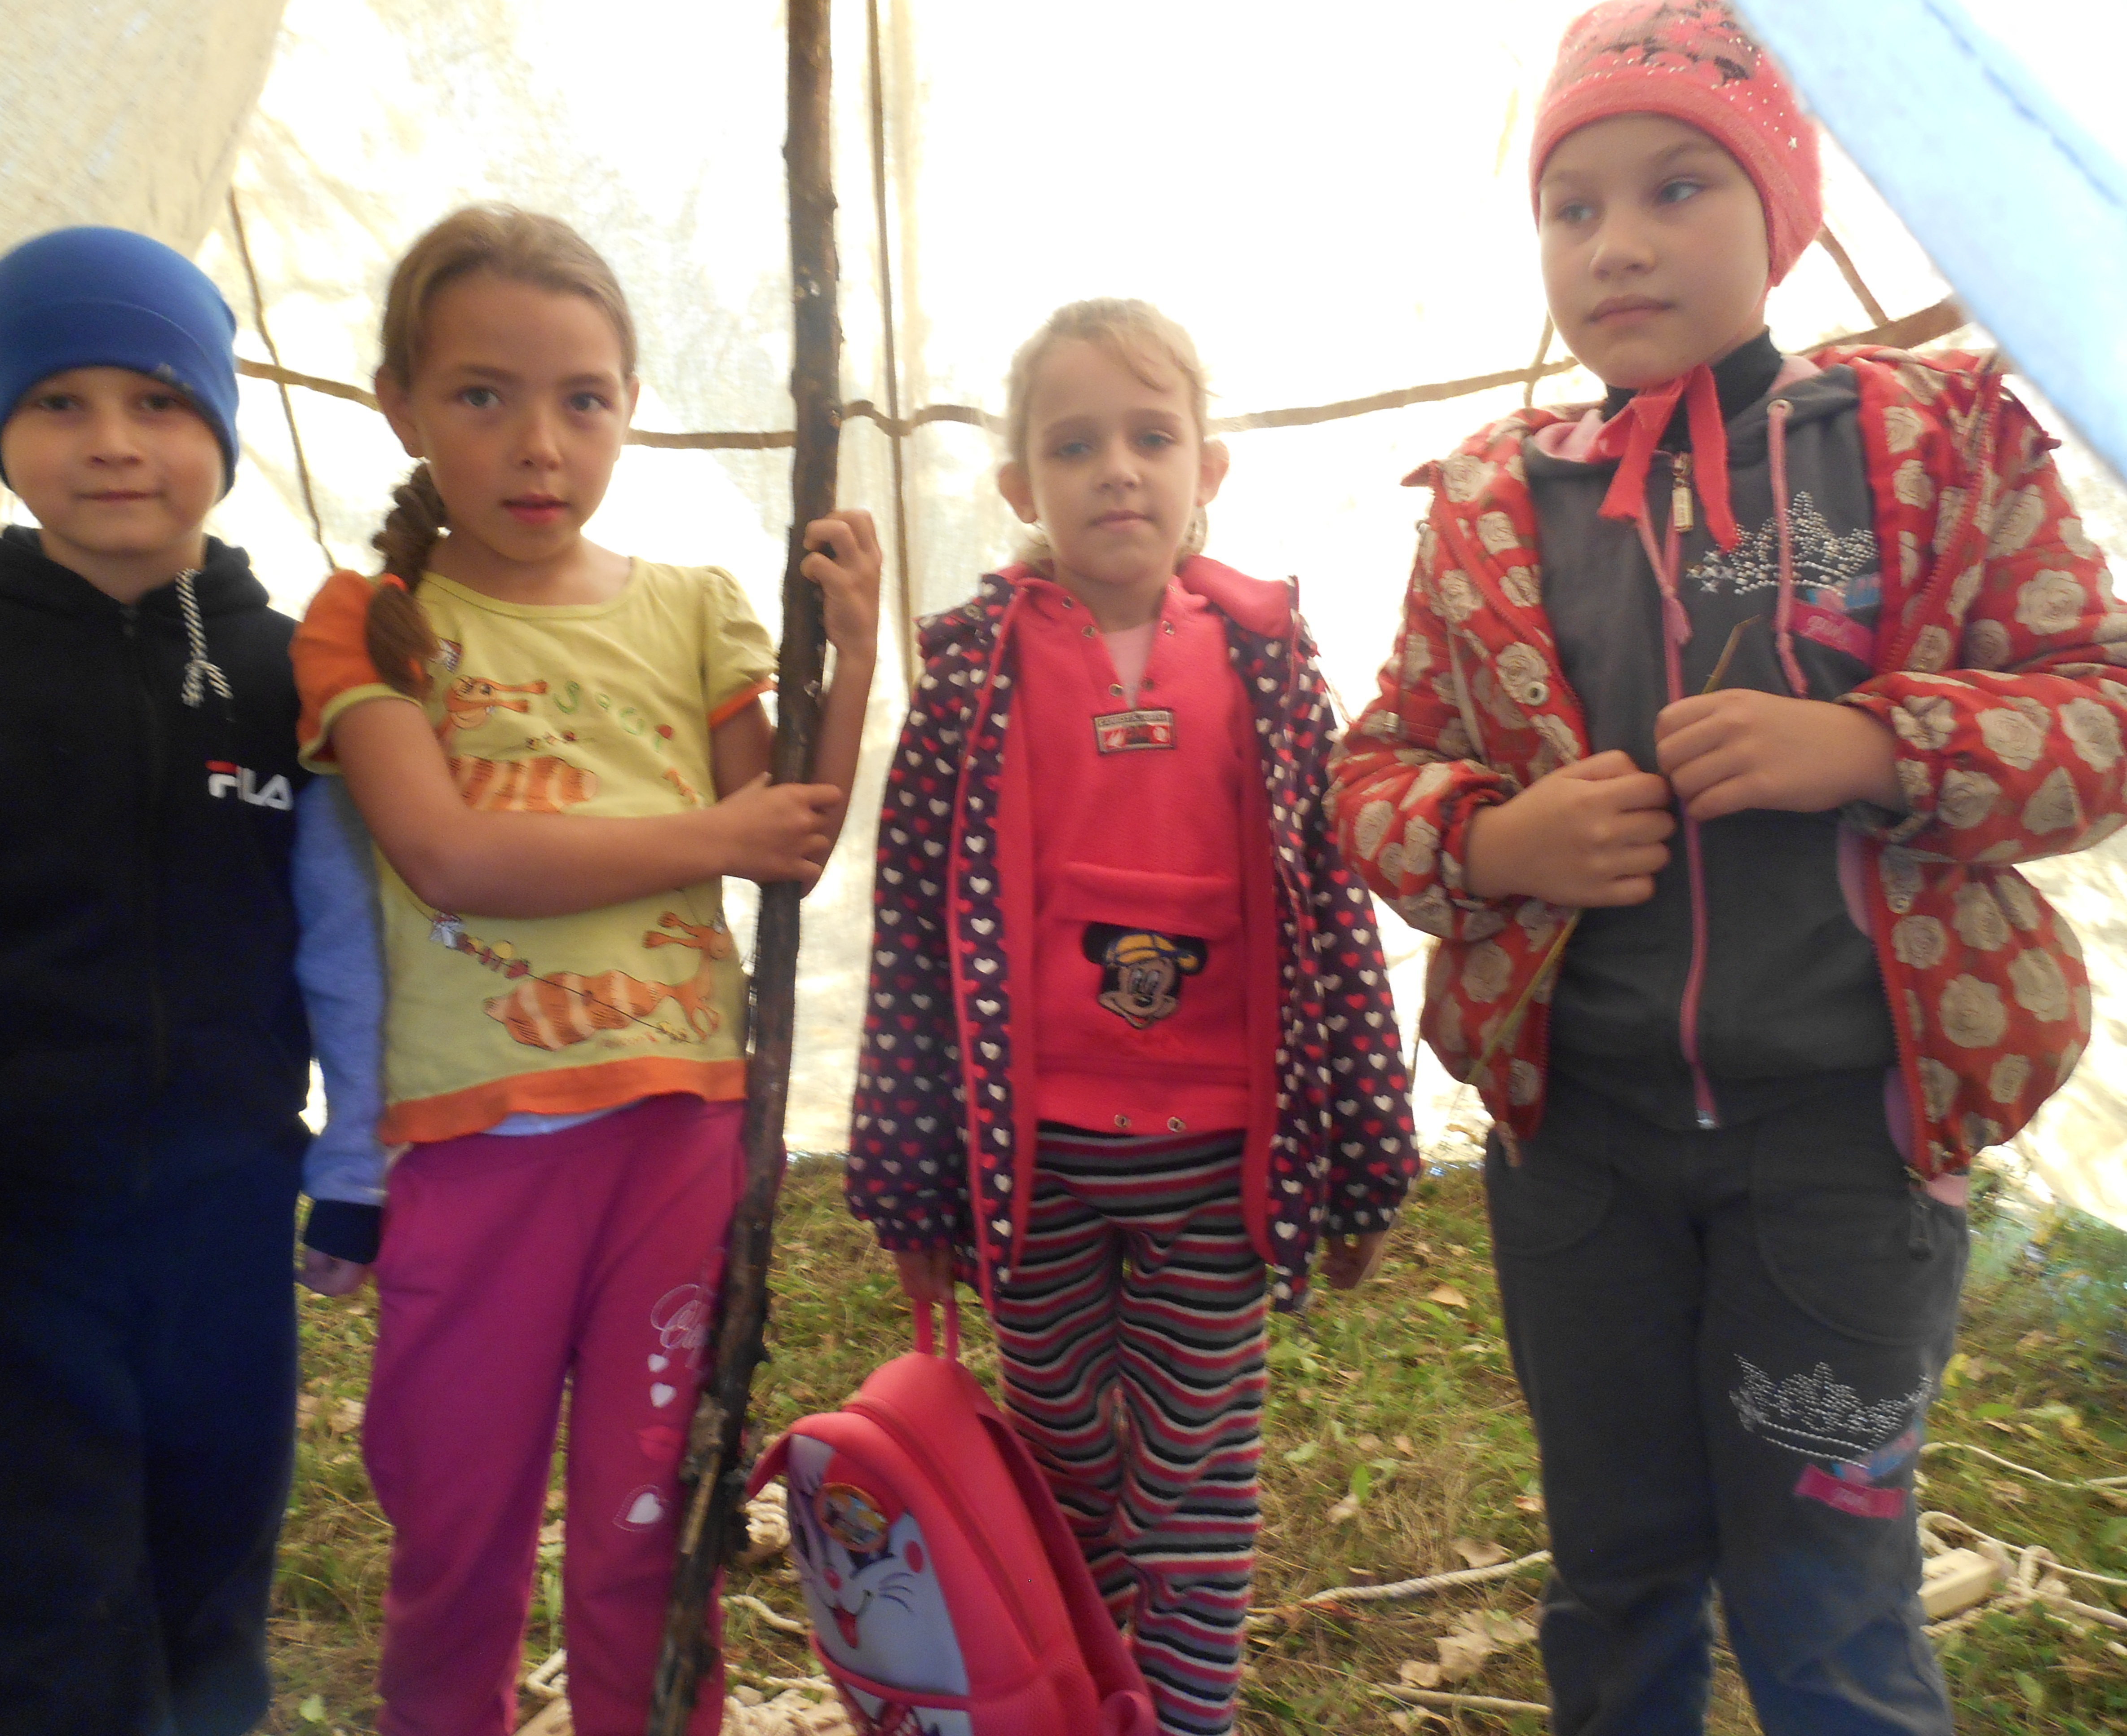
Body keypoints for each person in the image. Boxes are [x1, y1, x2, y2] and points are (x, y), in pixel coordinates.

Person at [1331, 5, 2127, 1731]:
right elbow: (1374, 772)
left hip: (1841, 1148)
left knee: (1823, 1590)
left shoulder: (1932, 447)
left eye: (1677, 187)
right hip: (1581, 1154)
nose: (1617, 243)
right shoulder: (1490, 504)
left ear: (1786, 207)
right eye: (1573, 207)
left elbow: (2103, 713)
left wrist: (1874, 748)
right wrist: (1495, 840)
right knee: (1617, 1565)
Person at [289, 204, 881, 1736]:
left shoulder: (691, 608)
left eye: (584, 400)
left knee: (648, 1530)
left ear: (629, 408)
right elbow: (450, 857)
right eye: (483, 395)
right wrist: (711, 834)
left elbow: (790, 842)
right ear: (401, 406)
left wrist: (857, 650)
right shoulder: (372, 623)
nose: (538, 445)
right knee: (457, 1532)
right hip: (474, 1151)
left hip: (673, 1142)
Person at [0, 226, 384, 1734]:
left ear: (222, 429)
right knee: (31, 1606)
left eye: (159, 400)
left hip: (222, 1226)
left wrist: (357, 1162)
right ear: (0, 429)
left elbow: (347, 949)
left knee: (214, 1577)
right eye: (59, 401)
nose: (114, 442)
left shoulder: (297, 684)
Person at [846, 298, 1417, 1736]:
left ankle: (1187, 1717)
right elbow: (914, 928)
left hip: (1215, 1163)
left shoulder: (1265, 660)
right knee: (1062, 1470)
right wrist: (912, 1177)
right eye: (1074, 444)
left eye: (1152, 438)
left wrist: (1365, 1156)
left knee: (1196, 1479)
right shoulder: (970, 673)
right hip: (1037, 1168)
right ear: (1019, 485)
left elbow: (1328, 911)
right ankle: (1091, 1701)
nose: (1117, 470)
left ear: (1207, 467)